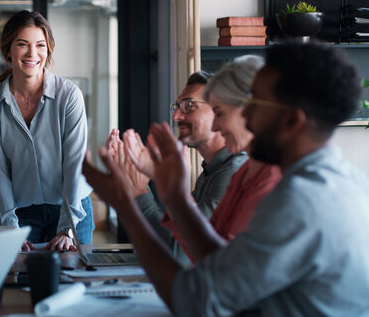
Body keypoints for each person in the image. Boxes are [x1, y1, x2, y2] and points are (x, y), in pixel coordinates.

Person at [83, 41, 369, 316]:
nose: (245, 118)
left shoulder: (302, 200)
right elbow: (219, 266)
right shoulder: (335, 180)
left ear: (292, 121)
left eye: (254, 106)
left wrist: (125, 204)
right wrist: (175, 198)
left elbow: (195, 300)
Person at [0, 10, 94, 251]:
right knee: (22, 281)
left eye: (40, 45)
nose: (32, 53)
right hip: (23, 215)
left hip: (73, 209)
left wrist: (66, 229)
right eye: (23, 44)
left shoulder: (68, 96)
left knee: (72, 279)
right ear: (8, 50)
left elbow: (75, 165)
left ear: (48, 50)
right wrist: (10, 228)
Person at [107, 70, 247, 265]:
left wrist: (139, 192)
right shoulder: (210, 171)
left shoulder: (233, 172)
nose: (177, 116)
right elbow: (179, 237)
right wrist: (133, 180)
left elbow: (180, 252)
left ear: (219, 109)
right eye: (177, 107)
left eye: (189, 106)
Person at [158, 55, 281, 262]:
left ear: (249, 111)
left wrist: (144, 193)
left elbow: (185, 254)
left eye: (220, 113)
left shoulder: (255, 174)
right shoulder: (241, 173)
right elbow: (208, 254)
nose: (215, 126)